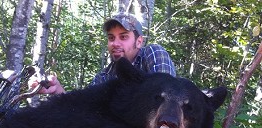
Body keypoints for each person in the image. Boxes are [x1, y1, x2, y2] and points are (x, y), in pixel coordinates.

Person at [29, 12, 176, 94]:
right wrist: (58, 91)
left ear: (139, 41)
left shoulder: (152, 53)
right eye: (111, 38)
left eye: (123, 37)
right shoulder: (104, 76)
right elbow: (83, 109)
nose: (115, 43)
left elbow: (168, 98)